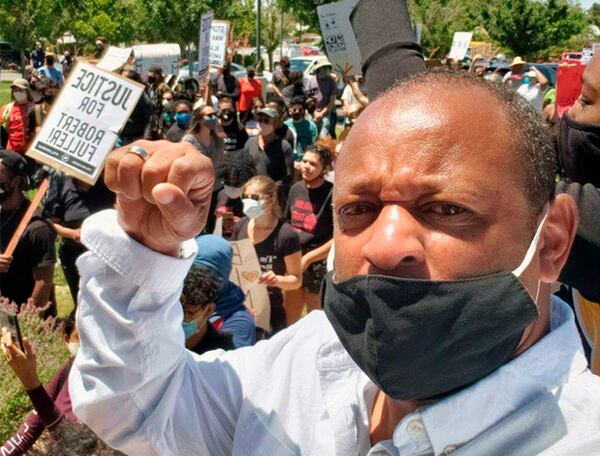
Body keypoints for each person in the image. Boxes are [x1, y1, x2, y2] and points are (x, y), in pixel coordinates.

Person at [69, 1, 600, 454]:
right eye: (358, 210)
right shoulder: (310, 357)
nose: (387, 246)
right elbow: (141, 407)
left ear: (552, 241)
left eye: (446, 210)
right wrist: (146, 247)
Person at [230, 175, 302, 334]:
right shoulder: (241, 225)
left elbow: (296, 280)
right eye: (245, 197)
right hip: (239, 306)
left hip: (269, 311)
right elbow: (233, 264)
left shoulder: (286, 235)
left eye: (255, 197)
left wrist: (277, 280)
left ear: (271, 199)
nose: (248, 202)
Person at [0, 321, 79, 455]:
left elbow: (76, 443)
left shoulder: (116, 388)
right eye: (80, 337)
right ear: (66, 340)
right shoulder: (68, 370)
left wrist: (30, 380)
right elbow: (30, 429)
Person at [44, 173, 115, 310]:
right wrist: (73, 234)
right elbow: (52, 223)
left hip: (104, 255)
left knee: (106, 304)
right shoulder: (61, 182)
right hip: (72, 254)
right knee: (81, 302)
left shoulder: (108, 182)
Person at [284, 142, 334, 325]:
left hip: (317, 262)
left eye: (313, 164)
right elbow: (287, 222)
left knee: (315, 315)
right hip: (293, 255)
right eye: (304, 161)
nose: (306, 166)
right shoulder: (296, 188)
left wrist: (309, 259)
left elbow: (337, 238)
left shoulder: (332, 193)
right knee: (291, 311)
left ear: (325, 168)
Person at [0, 150, 56, 312]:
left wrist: (28, 322)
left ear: (16, 180)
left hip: (25, 317)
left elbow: (43, 281)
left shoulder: (38, 228)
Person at [192, 235, 256, 348]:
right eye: (193, 274)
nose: (199, 283)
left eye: (209, 277)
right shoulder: (177, 299)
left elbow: (228, 361)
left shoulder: (239, 320)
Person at [241, 107, 294, 195]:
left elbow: (288, 176)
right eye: (259, 120)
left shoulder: (284, 146)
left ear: (275, 123)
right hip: (251, 194)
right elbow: (244, 168)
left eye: (266, 121)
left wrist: (269, 190)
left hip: (272, 197)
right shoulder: (250, 143)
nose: (262, 123)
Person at [214, 154, 256, 239]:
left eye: (237, 185)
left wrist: (242, 223)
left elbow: (259, 225)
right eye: (228, 184)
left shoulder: (252, 200)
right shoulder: (220, 194)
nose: (232, 189)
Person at [1, 79, 37, 156]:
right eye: (15, 90)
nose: (17, 93)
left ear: (27, 92)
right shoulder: (7, 108)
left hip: (28, 152)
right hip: (11, 150)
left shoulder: (35, 108)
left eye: (20, 90)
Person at [119, 68, 154, 145]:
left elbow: (149, 120)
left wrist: (145, 140)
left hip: (133, 139)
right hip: (117, 137)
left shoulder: (143, 98)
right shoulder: (118, 94)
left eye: (124, 79)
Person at [306, 57, 338, 139]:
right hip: (312, 113)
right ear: (319, 69)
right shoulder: (311, 81)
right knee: (312, 137)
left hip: (326, 112)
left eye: (327, 67)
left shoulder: (331, 81)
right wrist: (315, 112)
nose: (326, 69)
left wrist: (321, 114)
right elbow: (307, 100)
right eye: (324, 67)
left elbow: (332, 102)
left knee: (323, 134)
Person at [284, 96, 318, 162]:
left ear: (303, 111)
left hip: (304, 160)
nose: (297, 112)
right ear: (290, 111)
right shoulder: (284, 125)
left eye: (300, 110)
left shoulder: (311, 126)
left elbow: (313, 146)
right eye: (294, 110)